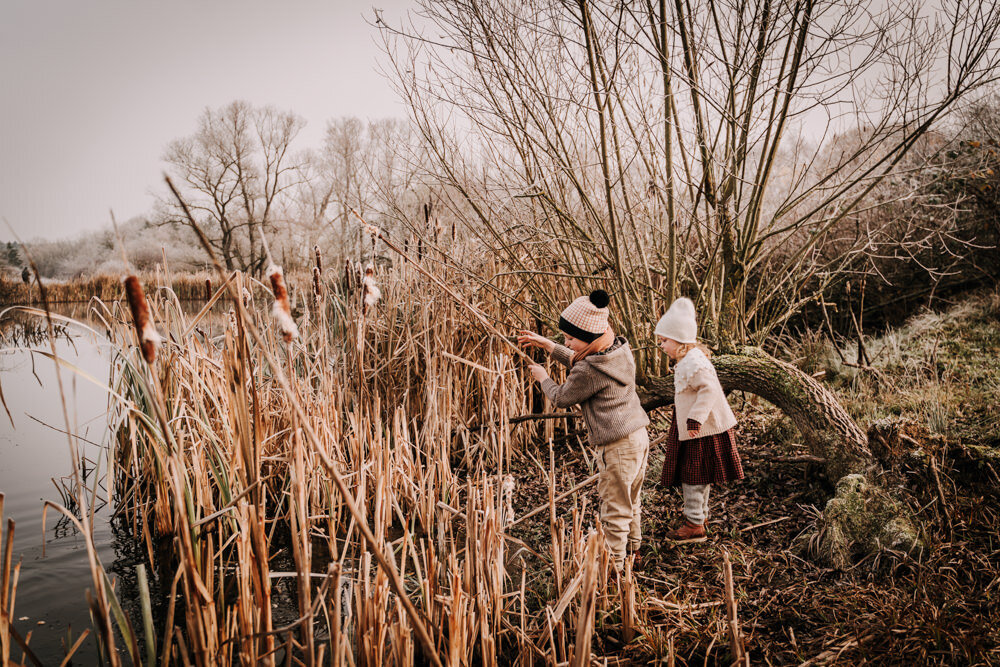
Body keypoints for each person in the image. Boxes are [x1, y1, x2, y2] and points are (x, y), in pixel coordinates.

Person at [518, 289, 650, 571]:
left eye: (569, 339)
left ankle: (613, 569)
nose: (566, 343)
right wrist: (549, 345)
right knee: (631, 500)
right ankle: (633, 552)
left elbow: (563, 396)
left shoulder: (589, 369)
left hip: (616, 447)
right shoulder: (617, 350)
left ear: (589, 339)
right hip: (638, 436)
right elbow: (582, 359)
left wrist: (543, 378)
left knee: (614, 508)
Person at [655, 297, 743, 542]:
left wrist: (694, 419)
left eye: (664, 340)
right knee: (698, 474)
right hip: (695, 428)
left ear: (680, 339)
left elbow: (710, 390)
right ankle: (699, 517)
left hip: (701, 429)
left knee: (693, 475)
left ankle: (694, 524)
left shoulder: (694, 363)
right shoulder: (688, 360)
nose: (661, 345)